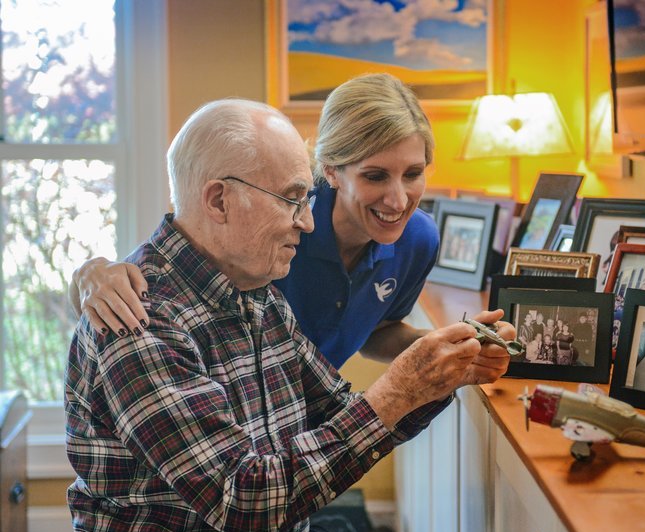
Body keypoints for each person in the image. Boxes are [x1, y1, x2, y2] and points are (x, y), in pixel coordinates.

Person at [64, 98, 513, 532]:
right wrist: (400, 392)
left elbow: (339, 410)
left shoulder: (258, 293)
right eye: (293, 198)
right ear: (218, 201)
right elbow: (243, 501)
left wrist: (447, 371)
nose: (308, 221)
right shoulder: (139, 324)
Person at [68, 73, 442, 370]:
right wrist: (91, 274)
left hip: (307, 417)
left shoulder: (418, 240)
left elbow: (378, 330)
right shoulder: (280, 226)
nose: (398, 199)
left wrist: (449, 345)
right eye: (375, 176)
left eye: (413, 174)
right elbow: (177, 267)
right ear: (330, 171)